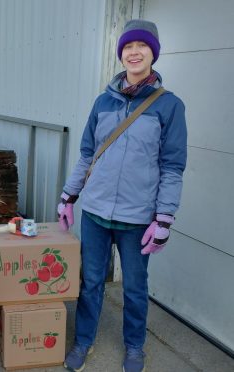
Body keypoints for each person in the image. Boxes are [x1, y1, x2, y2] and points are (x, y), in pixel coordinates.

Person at [58, 19, 187, 372]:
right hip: (96, 212)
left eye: (142, 46)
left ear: (153, 53)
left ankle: (134, 346)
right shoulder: (103, 102)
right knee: (92, 282)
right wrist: (68, 197)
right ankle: (84, 341)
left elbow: (173, 166)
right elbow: (87, 153)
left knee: (134, 288)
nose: (134, 52)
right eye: (128, 46)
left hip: (137, 218)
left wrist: (164, 218)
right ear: (121, 54)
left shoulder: (169, 106)